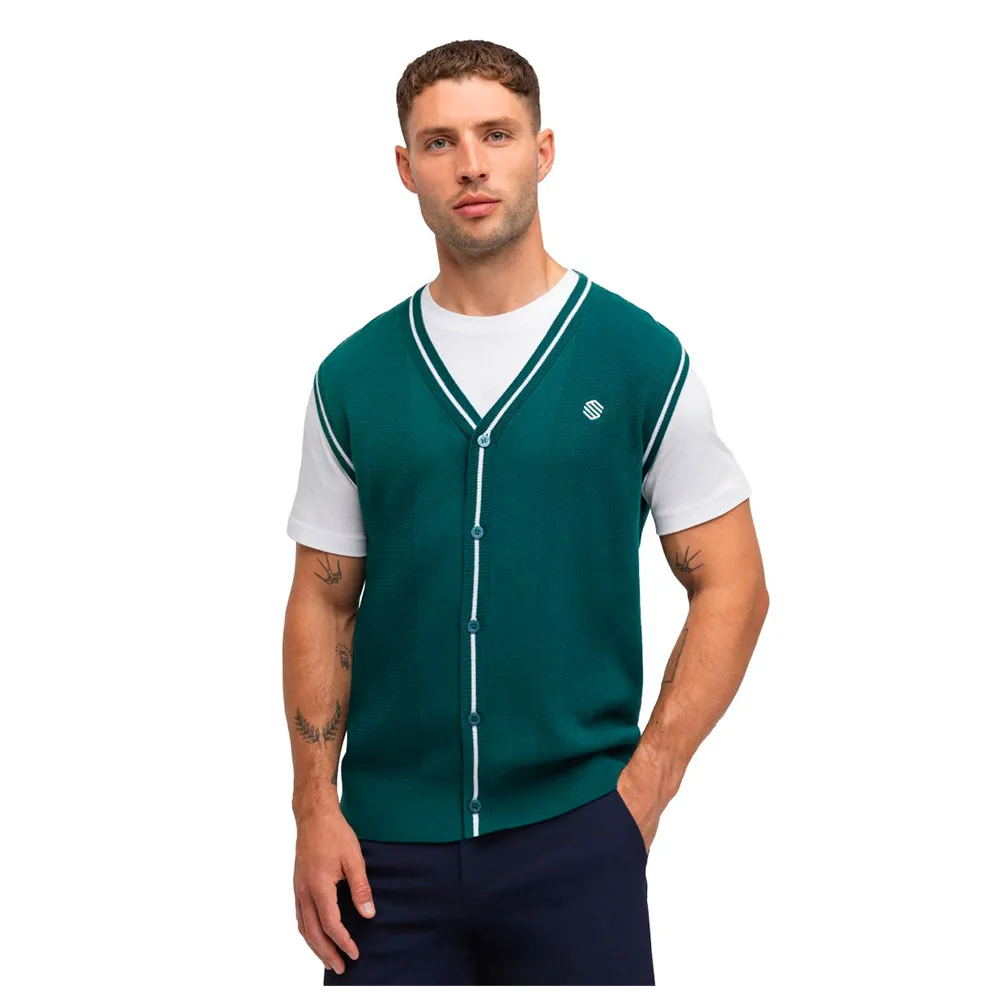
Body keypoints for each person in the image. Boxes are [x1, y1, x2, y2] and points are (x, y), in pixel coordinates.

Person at [282, 38, 769, 986]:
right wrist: (313, 807)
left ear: (543, 151)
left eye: (496, 134)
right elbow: (323, 598)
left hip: (576, 835)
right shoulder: (353, 378)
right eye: (440, 142)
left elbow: (735, 587)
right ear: (405, 167)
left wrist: (642, 791)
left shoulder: (637, 358)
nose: (470, 164)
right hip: (383, 855)